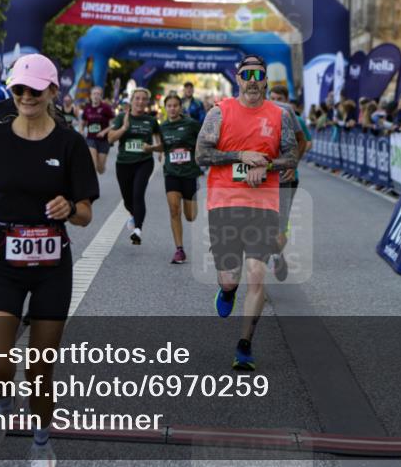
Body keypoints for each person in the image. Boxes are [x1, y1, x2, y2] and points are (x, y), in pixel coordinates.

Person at [0, 54, 98, 467]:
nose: (26, 97)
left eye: (35, 90)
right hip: (5, 257)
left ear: (52, 92)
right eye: (19, 89)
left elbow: (86, 213)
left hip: (53, 263)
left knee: (40, 369)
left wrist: (69, 207)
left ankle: (41, 446)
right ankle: (2, 405)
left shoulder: (70, 143)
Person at [196, 54, 298, 371]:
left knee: (257, 273)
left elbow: (292, 155)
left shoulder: (279, 115)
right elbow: (202, 154)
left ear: (265, 80)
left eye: (259, 74)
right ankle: (228, 291)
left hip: (263, 204)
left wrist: (266, 165)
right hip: (224, 202)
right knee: (229, 279)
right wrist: (241, 155)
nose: (253, 80)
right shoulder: (219, 112)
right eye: (247, 74)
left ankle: (244, 346)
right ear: (238, 79)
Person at [144, 93, 201, 264]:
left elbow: (204, 140)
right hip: (171, 173)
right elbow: (165, 145)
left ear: (180, 107)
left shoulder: (191, 124)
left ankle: (194, 195)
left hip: (189, 173)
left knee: (190, 216)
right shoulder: (164, 126)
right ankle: (179, 249)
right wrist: (153, 149)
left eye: (176, 105)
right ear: (165, 107)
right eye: (169, 106)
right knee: (174, 210)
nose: (173, 108)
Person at [106, 87, 160, 245]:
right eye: (137, 98)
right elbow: (110, 139)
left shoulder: (151, 120)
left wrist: (154, 148)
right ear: (132, 101)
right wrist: (124, 128)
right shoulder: (122, 117)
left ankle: (138, 229)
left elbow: (159, 138)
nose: (140, 102)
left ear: (147, 103)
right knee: (127, 199)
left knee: (138, 194)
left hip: (144, 162)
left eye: (144, 99)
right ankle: (133, 214)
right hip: (123, 163)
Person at [267, 84, 310, 282]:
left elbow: (305, 142)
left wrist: (293, 163)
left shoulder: (292, 115)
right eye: (272, 97)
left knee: (279, 225)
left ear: (285, 99)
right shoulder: (255, 112)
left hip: (286, 177)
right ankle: (273, 257)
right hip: (262, 178)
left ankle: (275, 255)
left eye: (279, 98)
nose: (276, 101)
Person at [80, 86, 115, 175]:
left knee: (100, 169)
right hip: (91, 139)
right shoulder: (87, 108)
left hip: (104, 141)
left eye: (98, 94)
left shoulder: (106, 108)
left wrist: (104, 132)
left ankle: (101, 167)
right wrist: (80, 131)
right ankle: (90, 187)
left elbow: (113, 125)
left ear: (101, 96)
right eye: (94, 94)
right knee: (93, 165)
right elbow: (83, 122)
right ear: (91, 96)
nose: (96, 96)